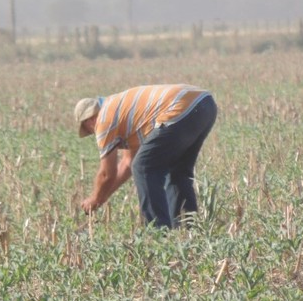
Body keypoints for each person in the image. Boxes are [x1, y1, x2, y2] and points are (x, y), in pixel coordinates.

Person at [75, 84, 217, 229]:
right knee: (177, 170)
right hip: (205, 103)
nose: (94, 133)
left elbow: (107, 174)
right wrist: (102, 197)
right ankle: (187, 229)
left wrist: (94, 199)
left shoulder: (103, 120)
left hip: (179, 107)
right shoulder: (120, 110)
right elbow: (127, 163)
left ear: (89, 121)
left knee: (143, 167)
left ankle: (158, 232)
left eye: (89, 131)